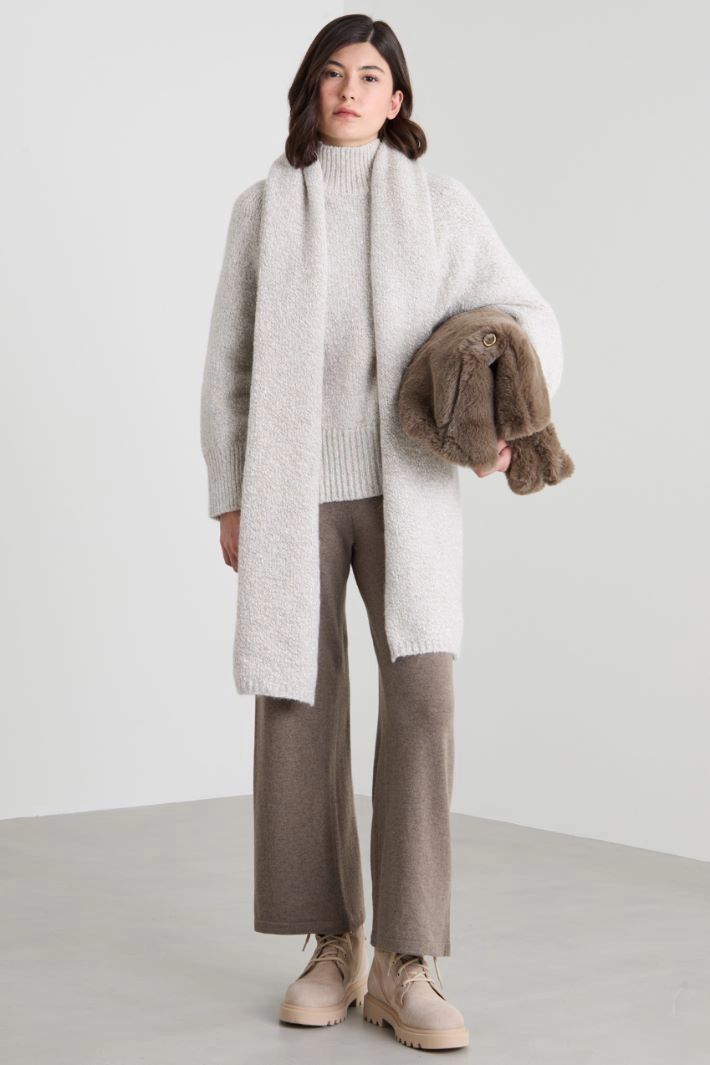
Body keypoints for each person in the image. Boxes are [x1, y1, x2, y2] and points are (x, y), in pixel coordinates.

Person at [200, 13, 562, 1053]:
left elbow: (526, 316)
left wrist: (503, 413)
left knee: (422, 702)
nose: (350, 89)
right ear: (310, 91)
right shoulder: (262, 210)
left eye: (369, 76)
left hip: (407, 490)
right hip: (289, 497)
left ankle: (408, 960)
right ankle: (332, 942)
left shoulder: (441, 207)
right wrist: (229, 493)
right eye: (333, 73)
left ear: (396, 100)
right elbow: (227, 365)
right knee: (296, 706)